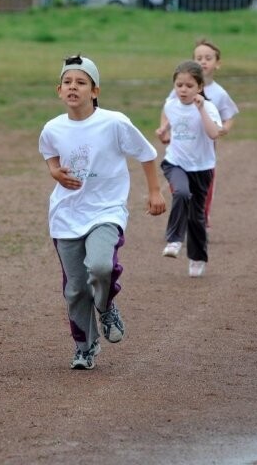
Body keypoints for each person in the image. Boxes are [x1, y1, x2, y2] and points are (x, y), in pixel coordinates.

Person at [38, 55, 166, 370]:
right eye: (67, 82)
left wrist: (154, 191)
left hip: (106, 210)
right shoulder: (53, 128)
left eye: (80, 82)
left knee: (100, 265)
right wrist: (55, 173)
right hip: (66, 216)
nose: (73, 87)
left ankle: (106, 306)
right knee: (75, 288)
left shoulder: (114, 122)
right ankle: (85, 346)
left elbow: (146, 154)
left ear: (94, 91)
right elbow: (49, 154)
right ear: (58, 90)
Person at [160, 38, 239, 228]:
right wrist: (164, 128)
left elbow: (230, 114)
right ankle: (182, 217)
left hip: (204, 146)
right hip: (181, 144)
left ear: (217, 63)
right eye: (198, 58)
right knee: (180, 186)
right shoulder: (182, 87)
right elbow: (168, 109)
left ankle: (202, 215)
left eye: (208, 58)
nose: (203, 61)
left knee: (203, 186)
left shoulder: (219, 93)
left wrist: (224, 129)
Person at [156, 60, 222, 278]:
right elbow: (168, 122)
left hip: (202, 168)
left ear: (200, 87)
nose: (183, 90)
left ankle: (197, 258)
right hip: (175, 162)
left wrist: (201, 108)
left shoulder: (208, 107)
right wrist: (164, 131)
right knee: (181, 192)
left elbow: (214, 134)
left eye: (189, 86)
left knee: (197, 216)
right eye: (179, 85)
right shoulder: (170, 105)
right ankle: (174, 240)